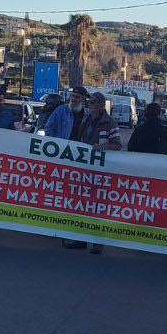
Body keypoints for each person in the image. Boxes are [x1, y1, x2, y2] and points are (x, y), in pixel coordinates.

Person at [64, 92, 120, 253]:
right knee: (82, 205)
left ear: (101, 105)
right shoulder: (86, 119)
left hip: (100, 172)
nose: (90, 104)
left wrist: (102, 147)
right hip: (84, 169)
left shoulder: (110, 123)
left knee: (97, 208)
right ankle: (81, 239)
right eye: (89, 102)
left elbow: (117, 145)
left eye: (93, 102)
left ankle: (97, 242)